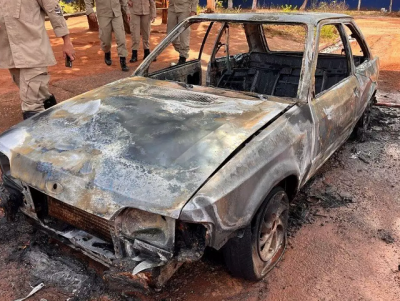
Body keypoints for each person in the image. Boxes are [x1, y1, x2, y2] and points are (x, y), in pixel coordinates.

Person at [0, 0, 76, 120]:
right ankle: (58, 126)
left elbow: (54, 10)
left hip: (34, 52)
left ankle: (39, 138)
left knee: (31, 105)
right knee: (39, 94)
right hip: (11, 55)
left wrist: (67, 41)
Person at [85, 0, 131, 72]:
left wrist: (127, 10)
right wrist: (90, 11)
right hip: (103, 14)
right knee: (105, 40)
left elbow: (123, 1)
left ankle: (123, 60)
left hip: (117, 14)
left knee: (121, 38)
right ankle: (107, 52)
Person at [167, 0, 198, 65]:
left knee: (184, 34)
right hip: (172, 7)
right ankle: (183, 52)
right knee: (170, 35)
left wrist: (193, 10)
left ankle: (183, 57)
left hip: (185, 8)